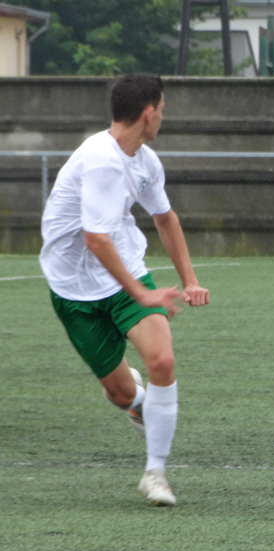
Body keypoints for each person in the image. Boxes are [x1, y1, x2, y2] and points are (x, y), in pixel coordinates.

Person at [39, 74, 209, 505]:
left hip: (125, 272)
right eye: (162, 110)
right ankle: (136, 400)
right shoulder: (100, 160)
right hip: (74, 289)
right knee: (120, 394)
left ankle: (156, 474)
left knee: (162, 359)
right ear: (149, 114)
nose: (163, 118)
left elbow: (165, 218)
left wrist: (189, 279)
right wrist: (145, 294)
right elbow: (96, 240)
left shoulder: (145, 161)